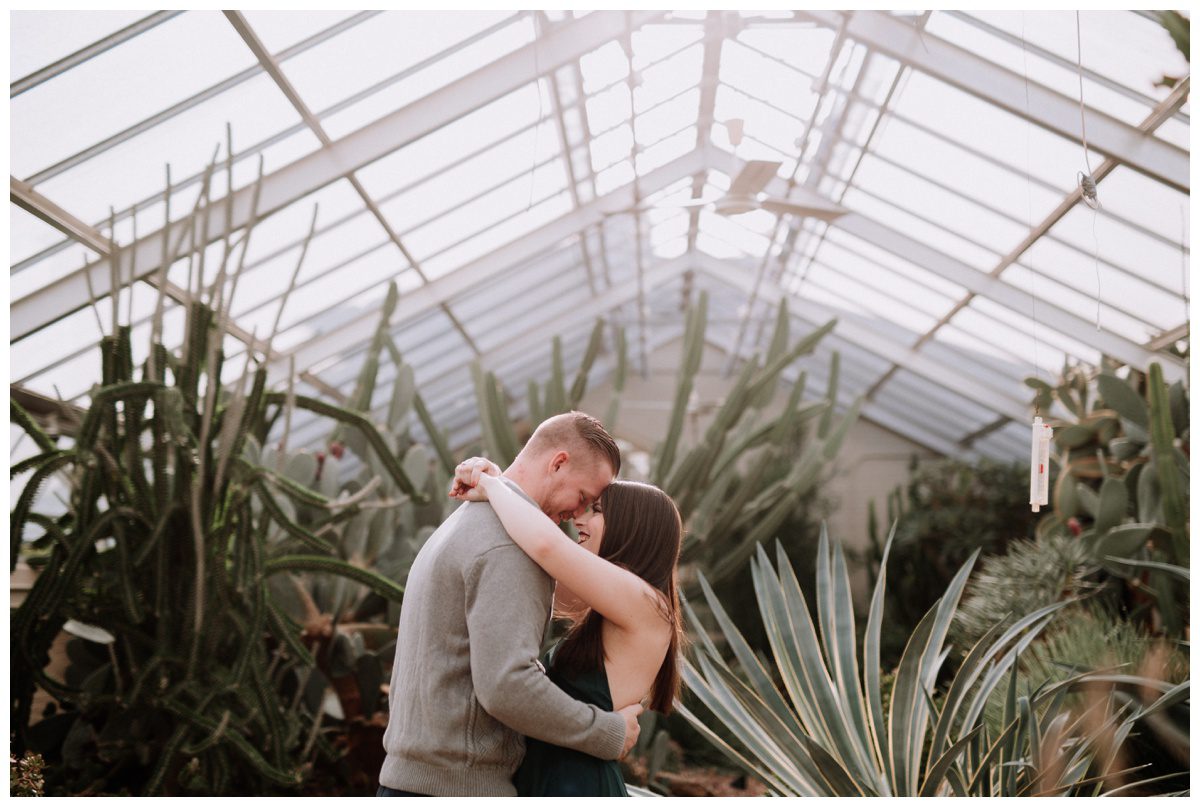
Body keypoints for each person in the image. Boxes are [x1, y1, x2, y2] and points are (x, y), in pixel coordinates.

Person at [377, 411, 644, 797]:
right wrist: (607, 733)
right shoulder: (509, 547)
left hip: (416, 780)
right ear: (558, 463)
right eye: (583, 498)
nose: (577, 515)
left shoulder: (464, 521)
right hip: (459, 788)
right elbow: (507, 685)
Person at [450, 454, 685, 797]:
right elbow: (531, 566)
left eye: (597, 511)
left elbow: (545, 545)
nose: (579, 517)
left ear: (633, 527)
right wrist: (506, 485)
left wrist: (492, 486)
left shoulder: (646, 603)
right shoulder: (619, 603)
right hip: (556, 779)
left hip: (578, 785)